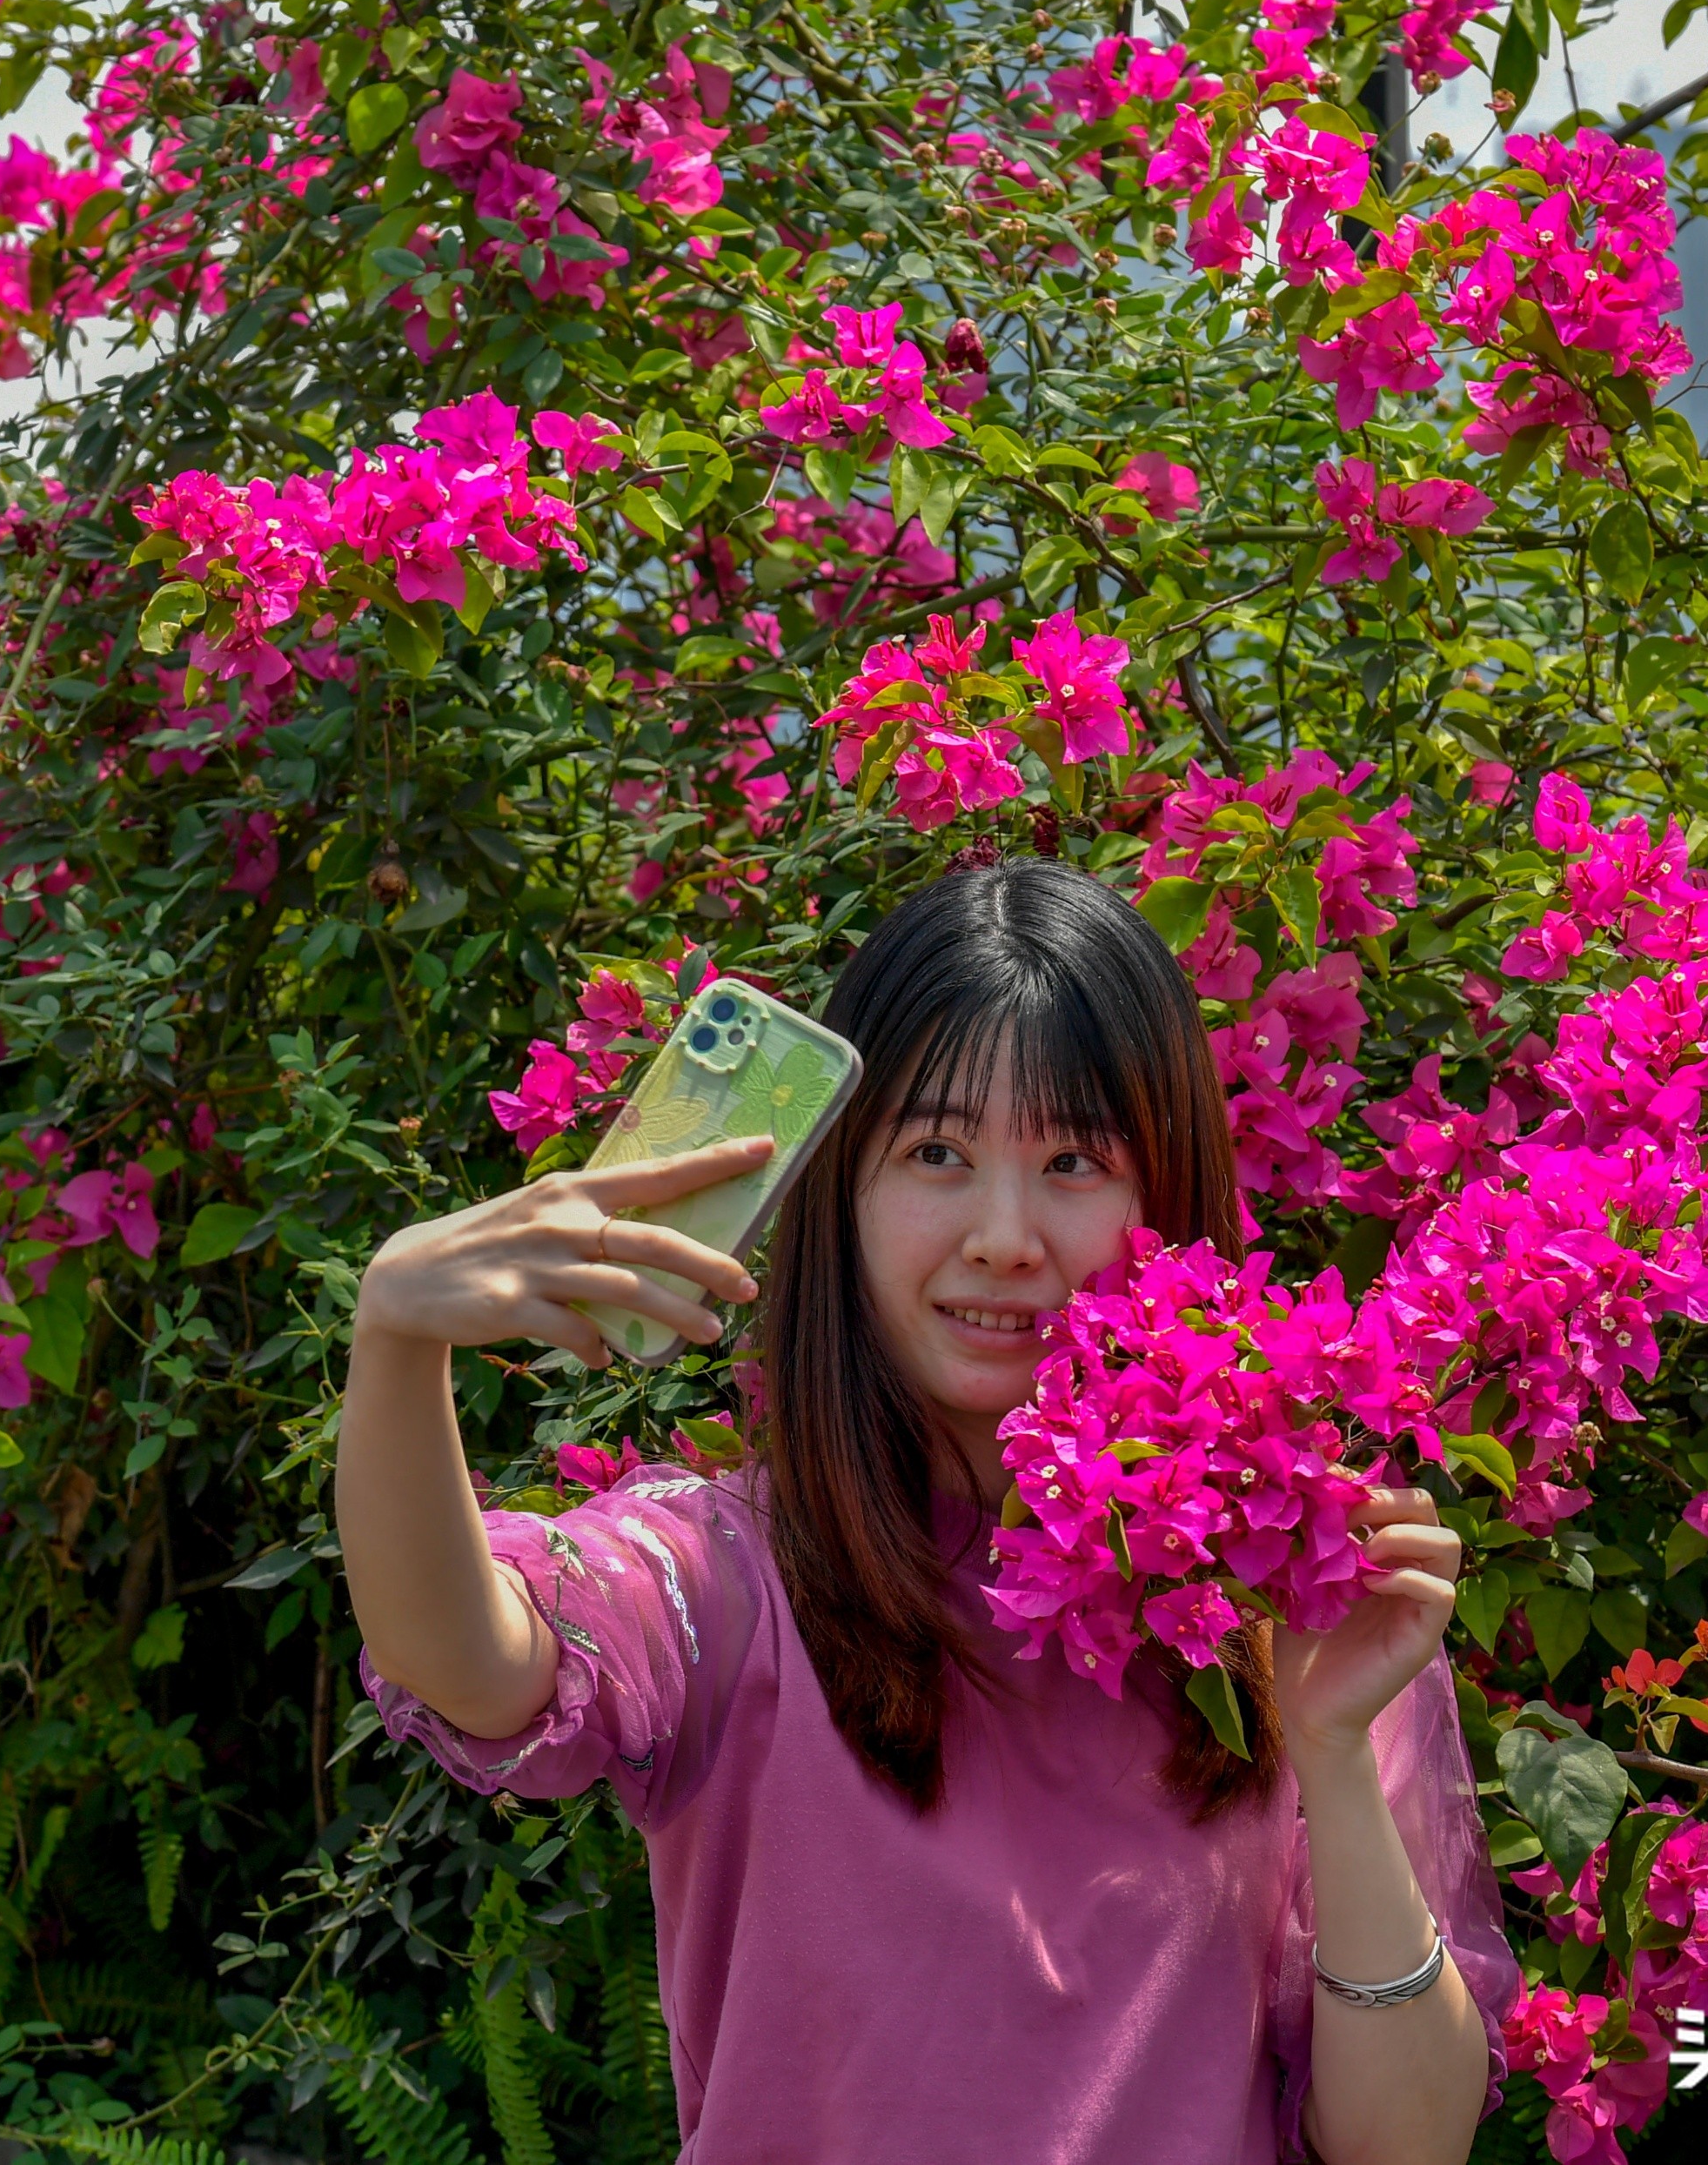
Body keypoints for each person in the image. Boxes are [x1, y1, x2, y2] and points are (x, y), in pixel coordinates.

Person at [336, 856, 1519, 2164]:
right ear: (841, 1196)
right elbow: (470, 1662)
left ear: (1167, 1198)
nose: (1003, 1234)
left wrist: (1336, 1751)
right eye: (936, 1153)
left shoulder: (1287, 1604)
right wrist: (396, 1346)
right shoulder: (727, 1579)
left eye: (1074, 1159)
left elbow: (1404, 2147)